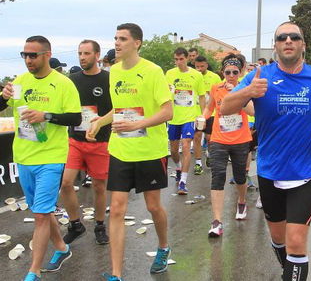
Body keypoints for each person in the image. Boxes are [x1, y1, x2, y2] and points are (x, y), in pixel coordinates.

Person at [221, 21, 311, 281]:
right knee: (279, 239)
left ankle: (293, 270)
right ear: (275, 45)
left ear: (302, 44)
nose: (288, 41)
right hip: (269, 168)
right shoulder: (259, 76)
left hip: (306, 170)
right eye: (282, 37)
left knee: (296, 241)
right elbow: (225, 108)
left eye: (294, 37)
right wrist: (248, 92)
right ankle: (289, 270)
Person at [0, 36, 82, 281]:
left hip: (51, 157)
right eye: (24, 55)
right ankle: (62, 248)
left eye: (33, 55)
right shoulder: (20, 81)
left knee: (40, 215)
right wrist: (4, 95)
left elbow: (75, 119)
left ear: (47, 55)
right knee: (41, 210)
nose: (28, 60)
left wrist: (46, 116)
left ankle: (34, 272)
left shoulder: (63, 84)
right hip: (24, 156)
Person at [87, 23, 174, 280]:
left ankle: (163, 246)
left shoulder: (152, 71)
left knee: (153, 206)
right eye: (115, 38)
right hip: (121, 148)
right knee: (116, 209)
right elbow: (119, 109)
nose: (117, 43)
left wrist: (137, 124)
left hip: (150, 150)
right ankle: (116, 273)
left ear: (137, 43)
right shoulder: (113, 71)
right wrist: (100, 121)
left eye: (123, 39)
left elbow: (167, 111)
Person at [59, 40, 112, 245]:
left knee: (99, 187)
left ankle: (99, 225)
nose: (82, 57)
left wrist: (100, 123)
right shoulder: (71, 80)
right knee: (66, 183)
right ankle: (75, 224)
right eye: (80, 53)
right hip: (76, 140)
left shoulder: (108, 79)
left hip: (100, 142)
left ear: (97, 56)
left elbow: (118, 108)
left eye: (87, 53)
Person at [202, 54, 255, 237]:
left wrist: (236, 95)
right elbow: (210, 107)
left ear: (240, 73)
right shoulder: (216, 87)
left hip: (240, 139)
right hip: (219, 139)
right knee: (218, 176)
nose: (231, 75)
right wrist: (203, 117)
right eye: (227, 72)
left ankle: (241, 202)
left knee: (240, 177)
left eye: (234, 72)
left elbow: (251, 111)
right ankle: (217, 221)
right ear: (222, 72)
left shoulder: (245, 88)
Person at [166, 47, 207, 194]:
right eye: (176, 59)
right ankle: (178, 167)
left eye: (181, 59)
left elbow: (202, 96)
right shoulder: (169, 74)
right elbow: (165, 93)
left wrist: (202, 115)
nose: (178, 62)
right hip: (173, 117)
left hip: (190, 116)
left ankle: (183, 181)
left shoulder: (196, 75)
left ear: (187, 59)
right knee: (174, 150)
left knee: (186, 145)